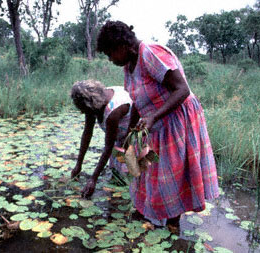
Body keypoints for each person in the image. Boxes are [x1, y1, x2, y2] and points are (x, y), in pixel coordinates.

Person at [96, 20, 219, 230]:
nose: (110, 59)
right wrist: (131, 136)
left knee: (173, 176)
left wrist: (153, 117)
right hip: (156, 124)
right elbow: (136, 101)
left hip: (178, 120)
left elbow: (182, 90)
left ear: (121, 47)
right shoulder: (129, 66)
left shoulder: (150, 54)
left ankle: (172, 225)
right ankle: (146, 213)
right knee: (145, 168)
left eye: (110, 54)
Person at [70, 80, 132, 197]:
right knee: (117, 177)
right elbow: (87, 133)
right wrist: (78, 165)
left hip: (133, 139)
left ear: (90, 104)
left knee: (130, 181)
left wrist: (93, 179)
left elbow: (108, 147)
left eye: (83, 109)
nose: (83, 112)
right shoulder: (95, 102)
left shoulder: (113, 111)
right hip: (120, 139)